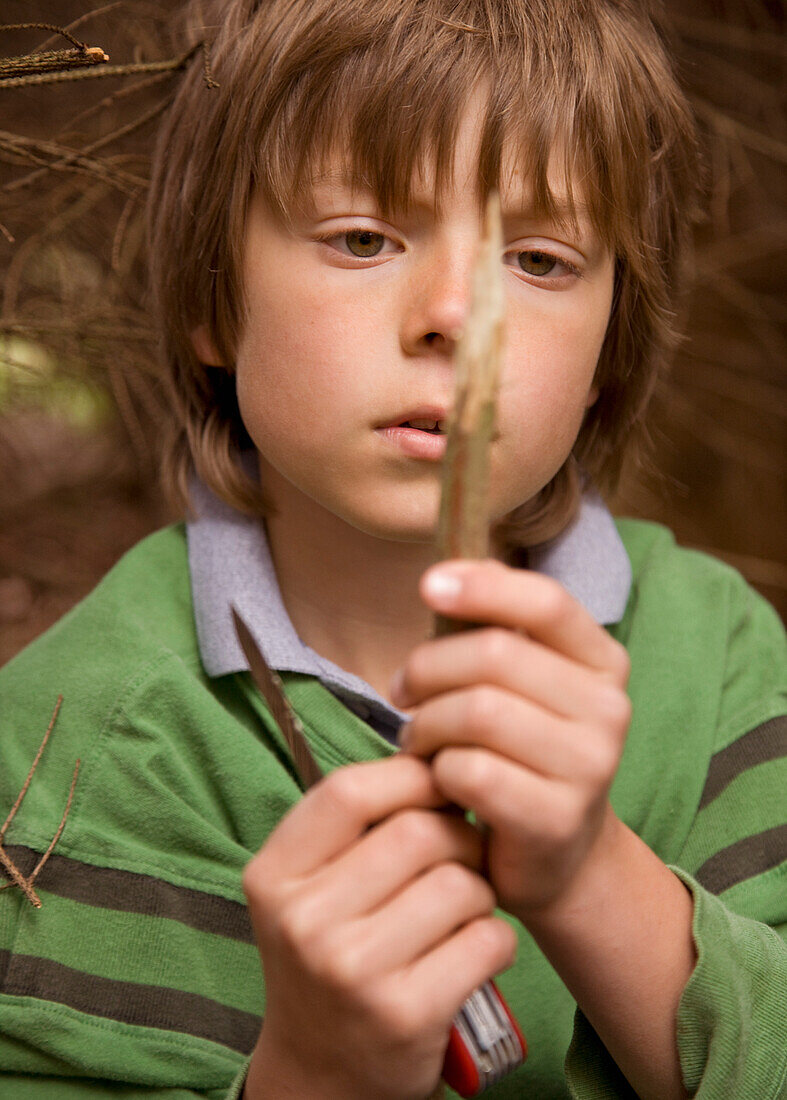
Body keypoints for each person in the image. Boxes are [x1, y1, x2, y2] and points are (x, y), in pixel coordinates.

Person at [0, 0, 784, 1097]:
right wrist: (315, 1071)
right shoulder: (62, 752)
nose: (455, 313)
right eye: (363, 238)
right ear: (215, 301)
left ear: (612, 346)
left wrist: (589, 873)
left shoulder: (721, 658)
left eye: (542, 260)